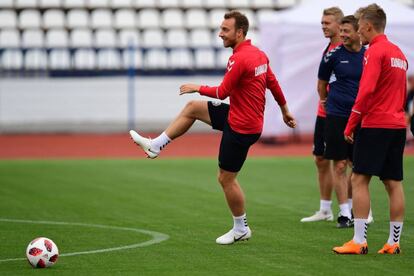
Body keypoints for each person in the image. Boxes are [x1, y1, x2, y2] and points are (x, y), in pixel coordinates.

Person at [129, 10, 296, 245]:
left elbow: (222, 92)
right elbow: (273, 82)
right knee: (193, 108)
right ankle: (156, 145)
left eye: (225, 30)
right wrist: (285, 109)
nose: (220, 34)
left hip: (241, 128)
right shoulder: (258, 54)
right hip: (242, 118)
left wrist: (197, 86)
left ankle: (241, 229)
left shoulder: (240, 58)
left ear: (239, 32)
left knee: (226, 179)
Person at [333, 3, 408, 254]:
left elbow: (366, 91)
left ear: (367, 25)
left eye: (359, 27)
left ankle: (359, 241)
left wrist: (351, 123)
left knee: (359, 179)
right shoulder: (399, 52)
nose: (358, 32)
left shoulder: (374, 51)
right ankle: (393, 242)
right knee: (393, 183)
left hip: (376, 123)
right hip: (397, 125)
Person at [317, 15, 365, 228]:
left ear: (358, 31)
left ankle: (360, 208)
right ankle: (344, 213)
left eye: (347, 31)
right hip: (336, 115)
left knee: (359, 165)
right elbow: (321, 83)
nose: (343, 35)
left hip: (361, 116)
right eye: (342, 31)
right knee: (339, 164)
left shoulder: (368, 54)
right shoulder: (332, 56)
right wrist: (325, 101)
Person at [301, 7, 343, 223]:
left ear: (339, 24)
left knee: (346, 162)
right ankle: (325, 209)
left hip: (339, 112)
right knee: (320, 158)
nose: (323, 27)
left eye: (327, 23)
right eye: (322, 23)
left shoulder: (347, 49)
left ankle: (359, 210)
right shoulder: (328, 49)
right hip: (323, 111)